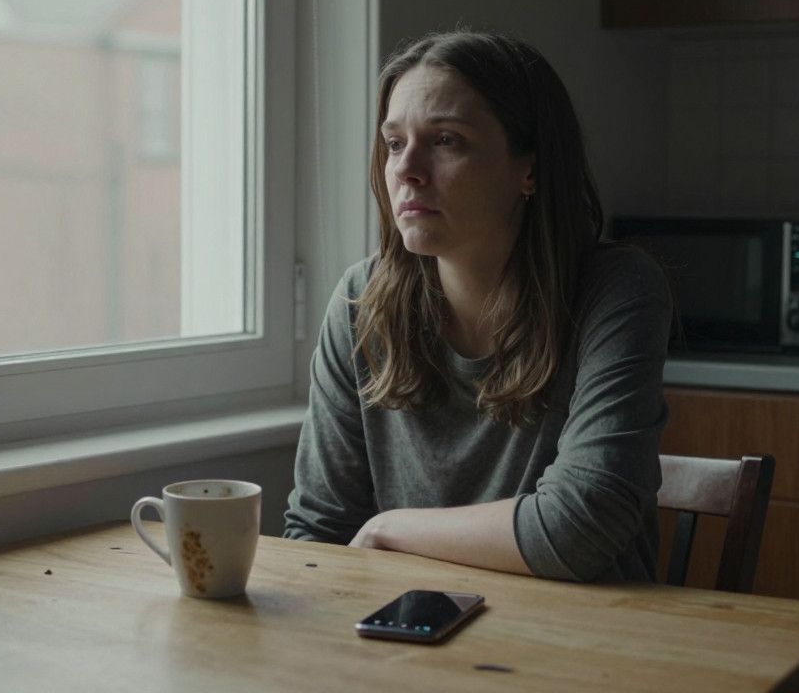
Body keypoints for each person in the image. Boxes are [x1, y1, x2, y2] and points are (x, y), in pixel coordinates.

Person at [282, 31, 672, 583]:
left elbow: (583, 525)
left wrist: (387, 529)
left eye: (446, 140)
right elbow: (317, 533)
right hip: (409, 640)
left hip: (583, 647)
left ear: (528, 170)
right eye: (394, 143)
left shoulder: (616, 291)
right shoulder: (360, 303)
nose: (406, 169)